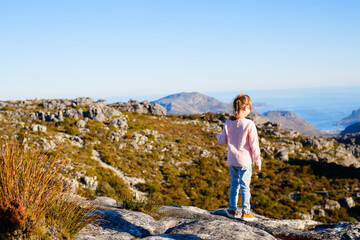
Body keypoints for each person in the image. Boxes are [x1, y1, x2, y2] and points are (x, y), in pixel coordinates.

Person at [217, 94, 261, 221]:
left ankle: (232, 210)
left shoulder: (228, 122)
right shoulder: (249, 124)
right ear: (246, 107)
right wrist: (258, 161)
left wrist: (217, 136)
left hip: (232, 160)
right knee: (245, 186)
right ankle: (246, 212)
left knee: (234, 185)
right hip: (245, 161)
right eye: (250, 108)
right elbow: (254, 145)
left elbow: (222, 140)